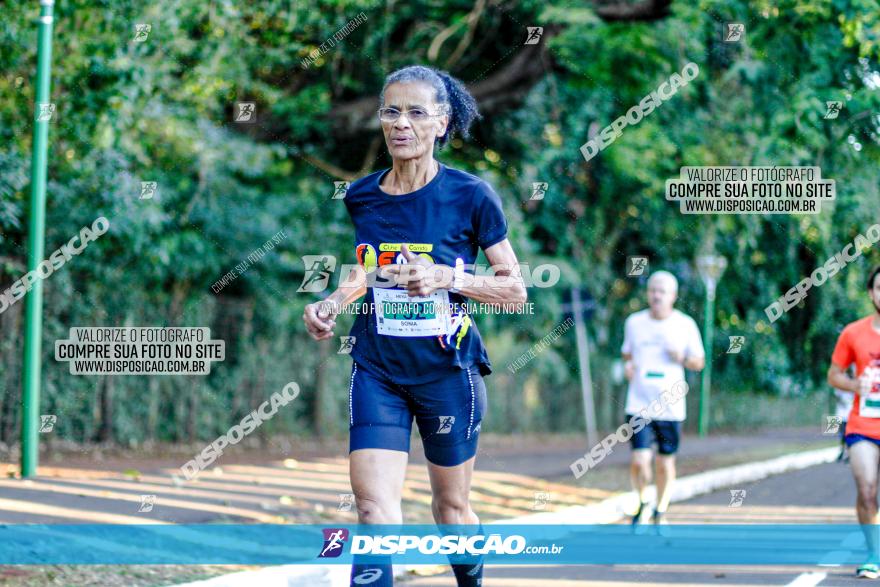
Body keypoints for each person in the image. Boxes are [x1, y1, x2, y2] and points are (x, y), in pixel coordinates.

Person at [302, 65, 527, 587]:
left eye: (416, 113)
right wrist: (333, 301)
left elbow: (515, 288)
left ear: (442, 123)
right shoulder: (361, 195)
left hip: (447, 373)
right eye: (391, 111)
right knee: (372, 510)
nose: (401, 123)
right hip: (378, 369)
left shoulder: (471, 195)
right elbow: (369, 267)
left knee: (451, 511)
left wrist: (447, 277)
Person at [621, 270, 705, 526]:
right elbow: (627, 354)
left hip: (670, 406)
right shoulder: (634, 322)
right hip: (639, 403)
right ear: (648, 294)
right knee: (639, 460)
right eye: (653, 290)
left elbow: (699, 362)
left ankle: (660, 508)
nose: (656, 295)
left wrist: (681, 357)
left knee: (664, 464)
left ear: (673, 296)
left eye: (662, 291)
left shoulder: (685, 324)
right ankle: (642, 499)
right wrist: (628, 366)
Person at [827, 264, 880, 579]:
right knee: (866, 488)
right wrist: (853, 384)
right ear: (871, 292)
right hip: (863, 425)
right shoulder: (853, 333)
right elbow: (833, 374)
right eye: (879, 287)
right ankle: (873, 553)